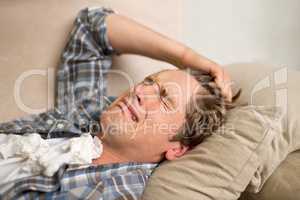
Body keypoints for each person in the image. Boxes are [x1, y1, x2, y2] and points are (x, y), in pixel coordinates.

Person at [0, 7, 235, 199]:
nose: (140, 91)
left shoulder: (110, 192)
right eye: (149, 81)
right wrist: (185, 57)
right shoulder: (89, 113)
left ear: (178, 148)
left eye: (165, 99)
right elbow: (92, 27)